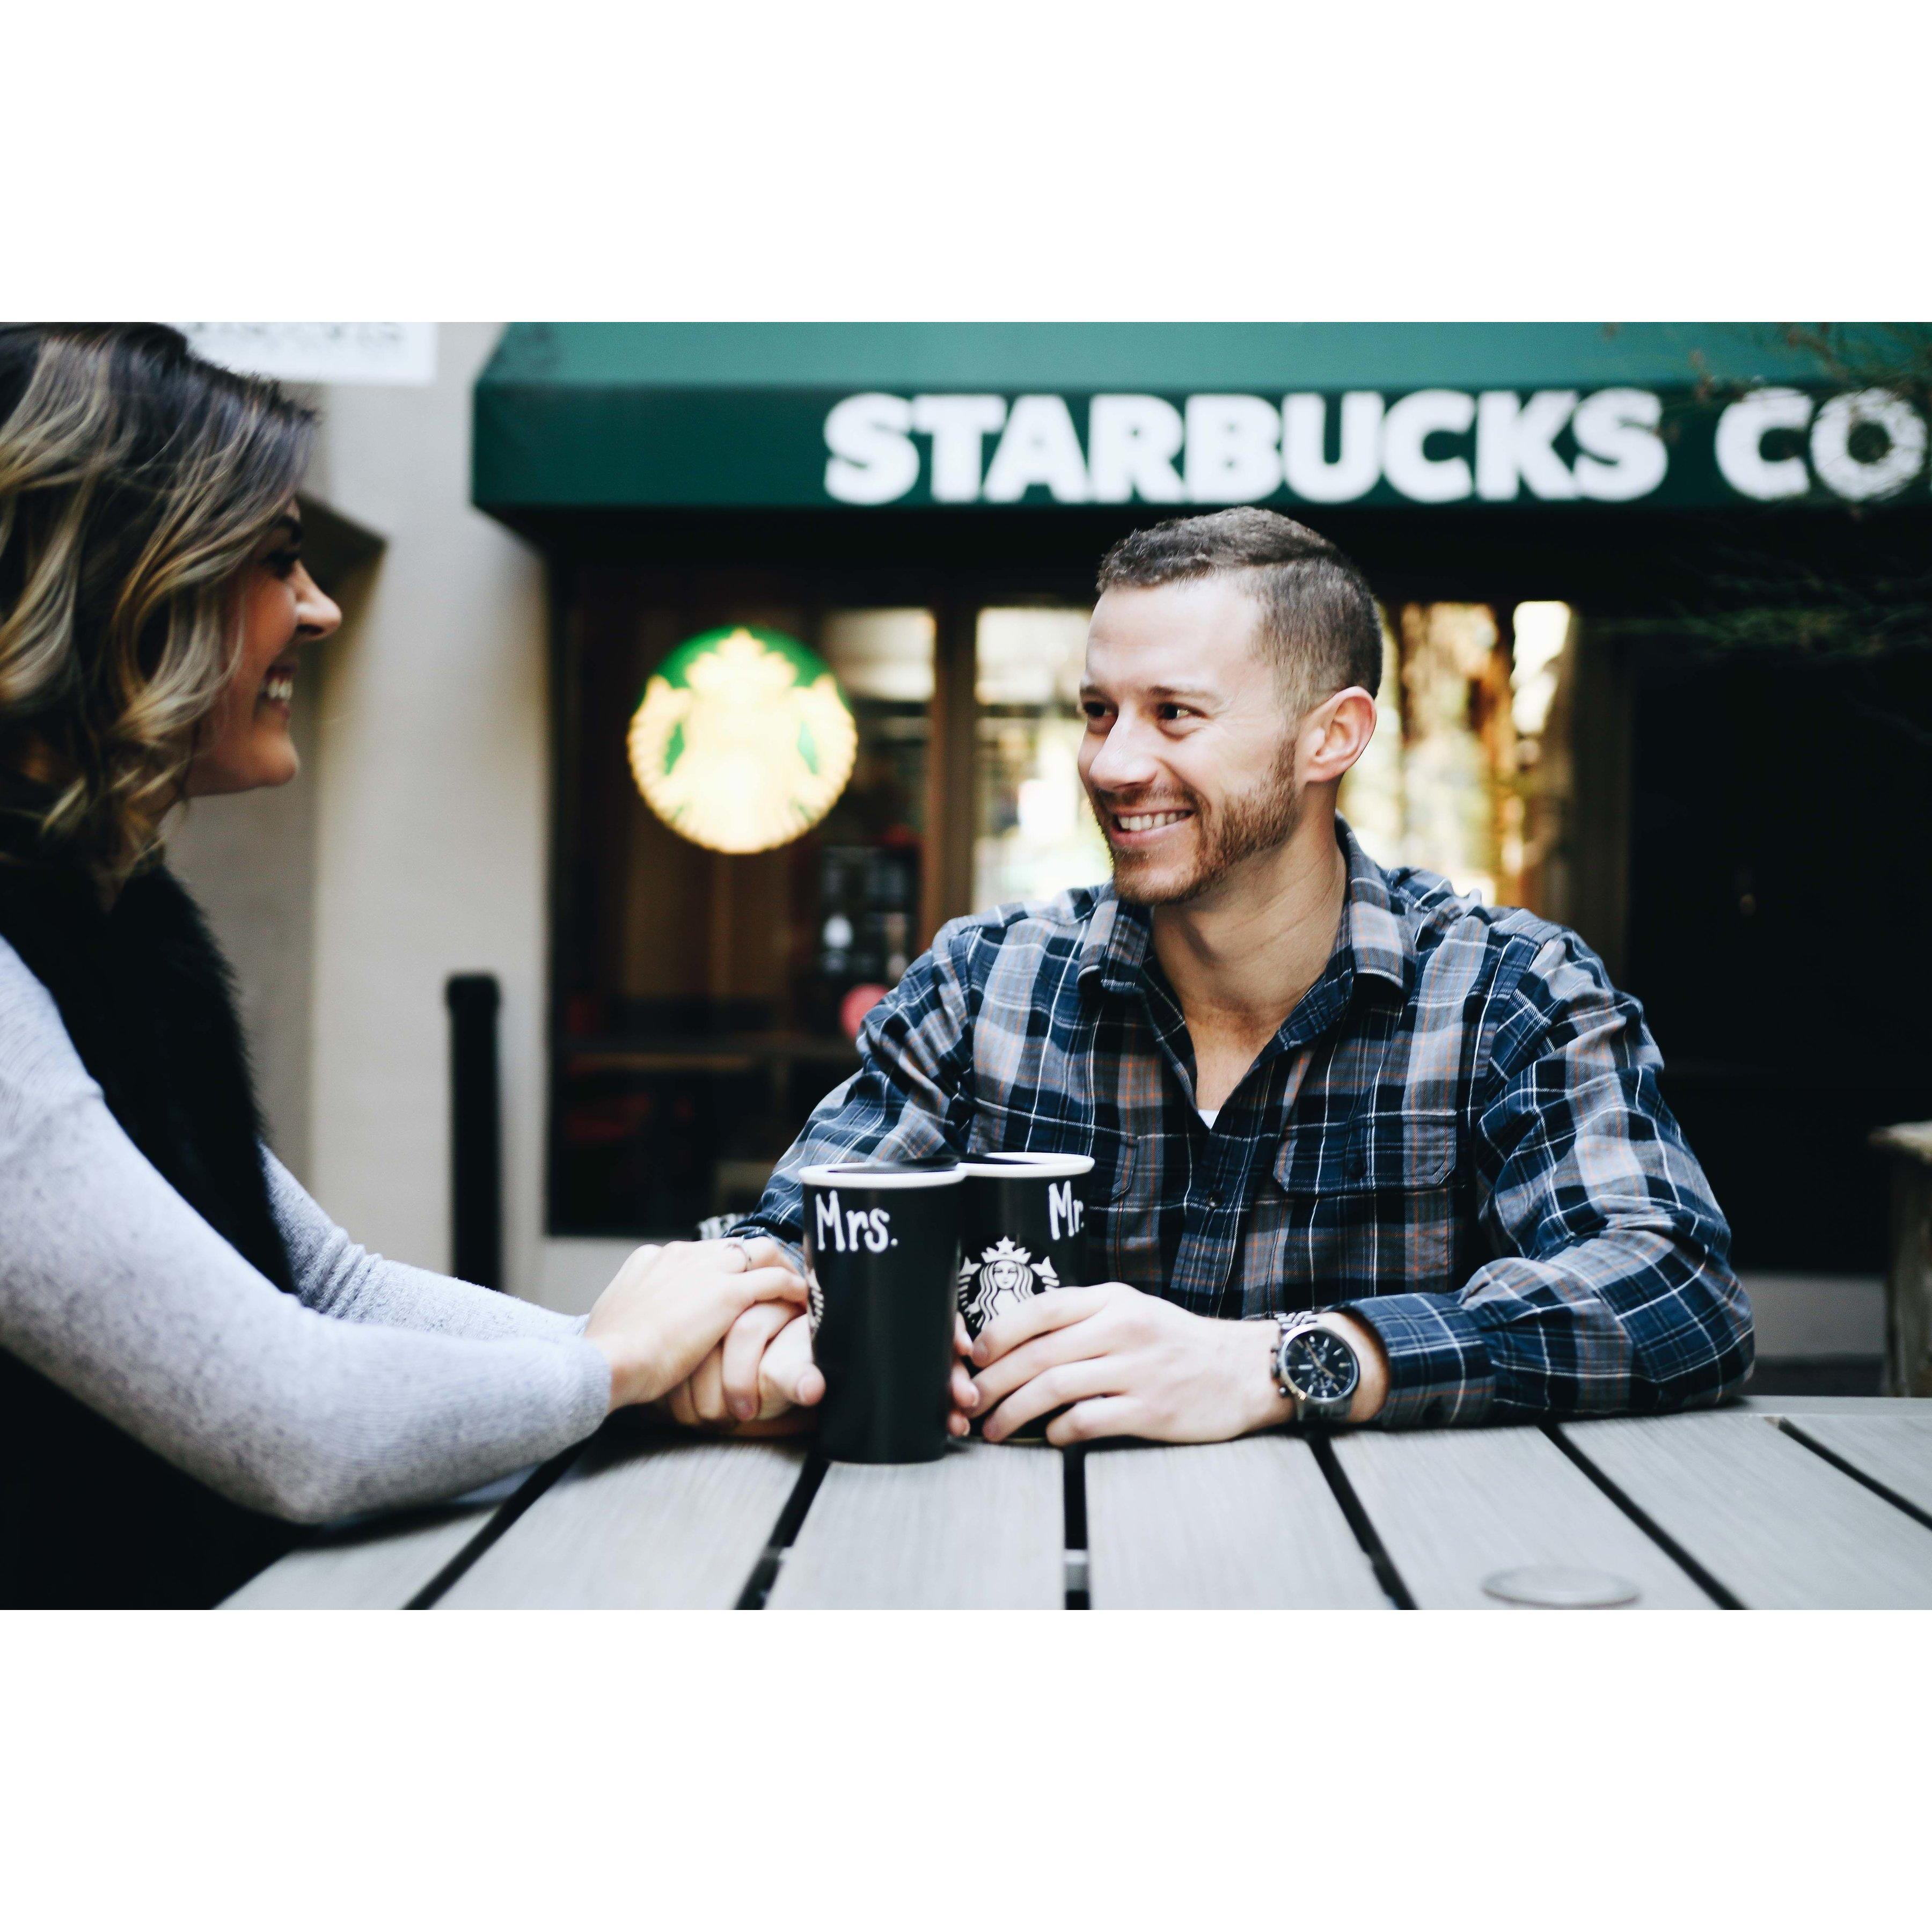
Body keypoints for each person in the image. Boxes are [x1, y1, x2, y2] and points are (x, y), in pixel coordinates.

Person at [0, 324, 815, 1608]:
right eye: (277, 561)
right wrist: (609, 1372)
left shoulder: (118, 919)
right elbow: (281, 1411)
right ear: (126, 582)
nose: (320, 609)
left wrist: (650, 1370)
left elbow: (323, 1282)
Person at [728, 507, 1754, 1443]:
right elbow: (776, 1250)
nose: (1113, 764)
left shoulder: (1508, 993)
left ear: (1332, 737)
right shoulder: (983, 985)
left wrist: (1286, 1362)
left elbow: (1676, 1289)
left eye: (1175, 714)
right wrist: (775, 1334)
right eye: (1099, 710)